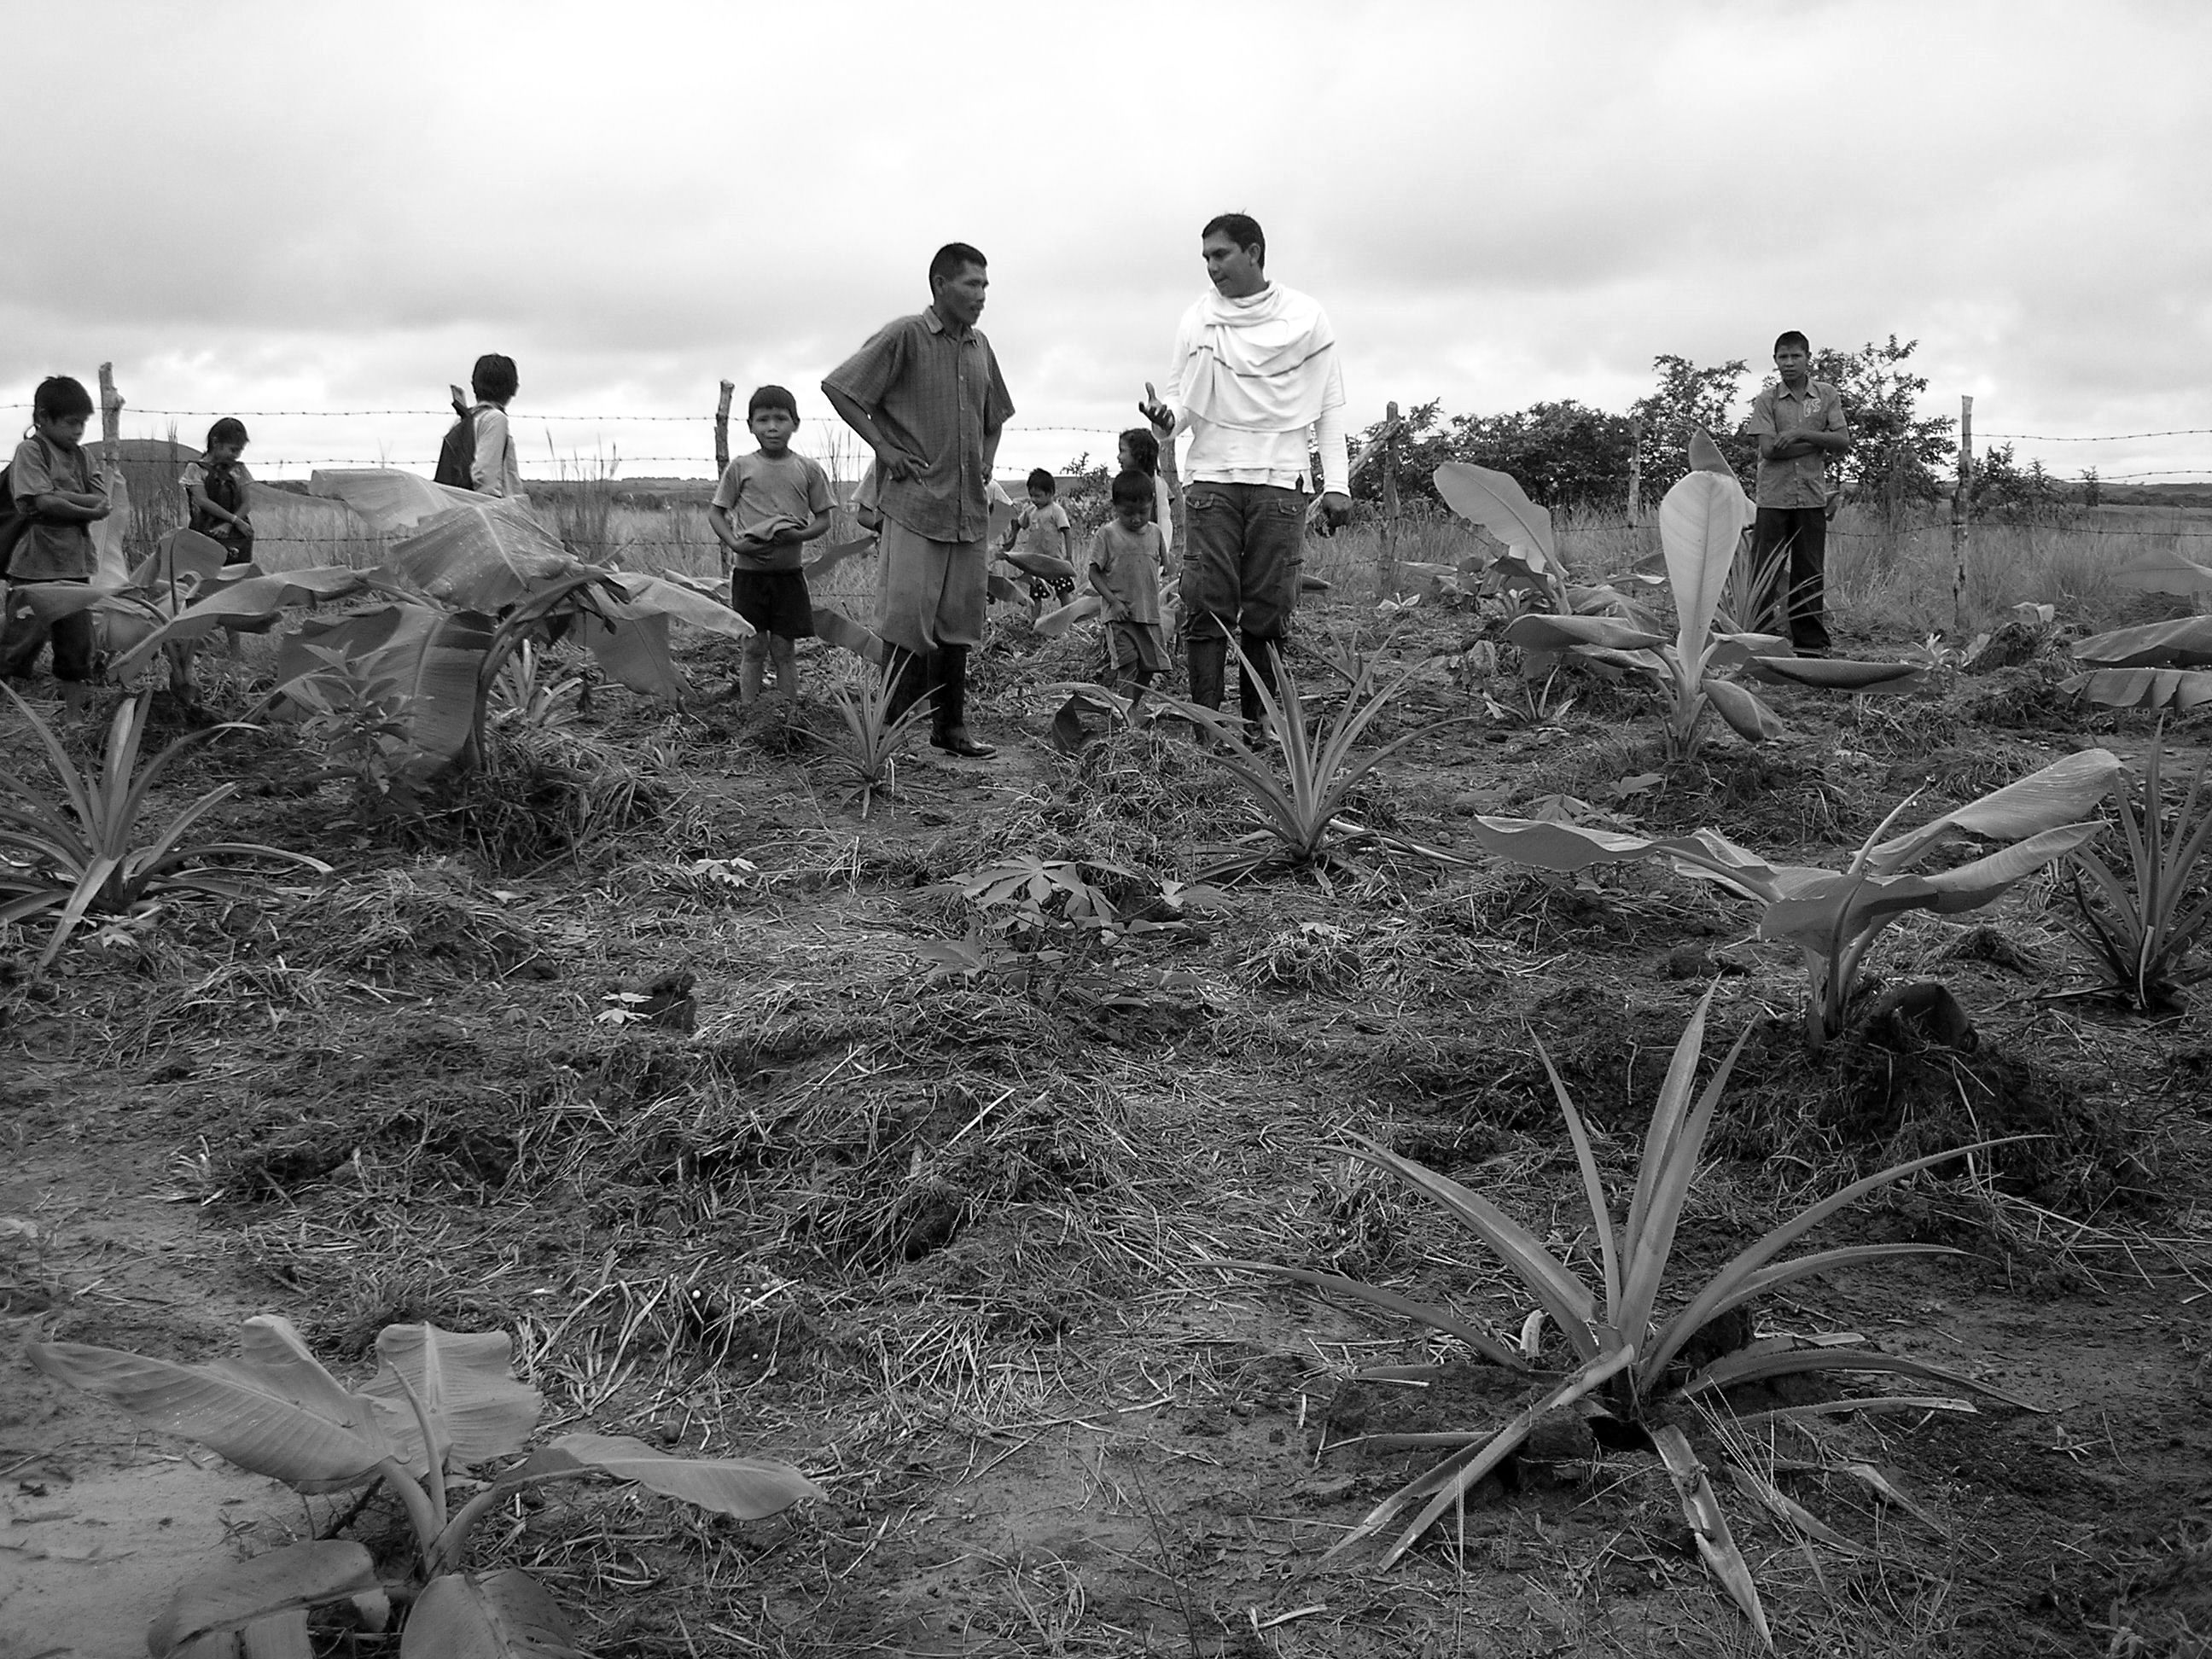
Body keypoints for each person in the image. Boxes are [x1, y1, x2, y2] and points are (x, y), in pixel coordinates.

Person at [1141, 212, 1353, 725]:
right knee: (1205, 607)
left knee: (1268, 610)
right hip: (1212, 479)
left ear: (1254, 252)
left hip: (1281, 483)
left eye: (1221, 255)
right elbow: (1180, 401)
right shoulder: (1198, 320)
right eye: (1206, 258)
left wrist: (1338, 484)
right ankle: (1209, 731)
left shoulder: (1306, 318)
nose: (1212, 268)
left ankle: (1257, 728)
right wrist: (1165, 419)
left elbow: (1328, 408)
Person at [822, 242, 1014, 759]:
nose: (981, 295)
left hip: (968, 513)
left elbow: (995, 417)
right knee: (906, 622)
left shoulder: (981, 348)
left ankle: (951, 731)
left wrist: (987, 460)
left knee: (958, 624)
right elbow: (841, 387)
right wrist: (883, 448)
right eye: (972, 284)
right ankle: (889, 739)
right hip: (915, 505)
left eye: (985, 285)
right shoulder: (905, 335)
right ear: (940, 285)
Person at [707, 385, 833, 707]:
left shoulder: (808, 469)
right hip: (749, 576)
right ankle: (750, 711)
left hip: (789, 575)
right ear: (750, 426)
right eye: (763, 420)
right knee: (753, 647)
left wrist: (798, 536)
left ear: (796, 424)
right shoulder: (740, 467)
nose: (772, 427)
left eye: (781, 419)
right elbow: (717, 512)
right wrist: (736, 543)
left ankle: (787, 714)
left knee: (783, 649)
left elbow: (823, 519)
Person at [2, 376, 111, 690]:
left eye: (83, 424)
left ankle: (74, 719)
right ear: (42, 418)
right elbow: (42, 502)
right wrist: (86, 510)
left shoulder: (83, 456)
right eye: (70, 422)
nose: (78, 431)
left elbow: (100, 498)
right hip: (35, 565)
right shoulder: (31, 451)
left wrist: (58, 497)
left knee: (76, 648)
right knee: (18, 643)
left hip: (75, 566)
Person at [1747, 330, 1851, 654]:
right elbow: (1768, 450)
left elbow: (1843, 441)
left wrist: (1797, 434)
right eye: (1783, 357)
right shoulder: (1767, 399)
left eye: (1795, 356)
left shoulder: (1826, 395)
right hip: (1773, 498)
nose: (1789, 363)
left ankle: (1810, 645)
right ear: (1775, 360)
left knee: (1809, 571)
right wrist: (1817, 442)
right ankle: (1760, 642)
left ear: (1808, 358)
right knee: (1765, 571)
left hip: (1810, 496)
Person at [1087, 470, 1169, 694]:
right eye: (1128, 513)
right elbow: (1093, 573)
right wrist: (1113, 602)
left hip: (1149, 614)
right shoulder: (1107, 535)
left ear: (1152, 503)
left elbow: (1166, 567)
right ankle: (1126, 716)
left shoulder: (1156, 534)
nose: (1136, 519)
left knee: (1149, 667)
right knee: (1128, 664)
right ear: (1115, 506)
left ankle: (1131, 706)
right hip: (1120, 616)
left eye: (1143, 512)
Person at [181, 417, 255, 564]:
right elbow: (202, 500)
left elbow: (247, 503)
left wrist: (231, 524)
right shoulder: (195, 469)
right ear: (215, 442)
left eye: (240, 450)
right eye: (233, 450)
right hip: (204, 533)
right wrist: (234, 520)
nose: (236, 455)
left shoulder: (239, 469)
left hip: (237, 535)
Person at [464, 353, 523, 499]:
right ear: (514, 388)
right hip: (491, 513)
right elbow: (485, 477)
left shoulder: (465, 420)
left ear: (473, 386)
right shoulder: (495, 419)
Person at [1003, 468, 1071, 567]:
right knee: (1029, 581)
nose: (1034, 499)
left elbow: (1067, 532)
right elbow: (1017, 523)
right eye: (1031, 496)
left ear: (1050, 493)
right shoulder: (1030, 511)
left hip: (1053, 562)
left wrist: (1069, 557)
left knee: (1058, 581)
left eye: (1038, 496)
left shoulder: (1056, 511)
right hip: (1032, 562)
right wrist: (1013, 537)